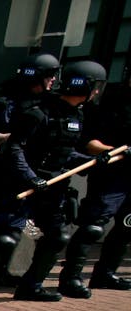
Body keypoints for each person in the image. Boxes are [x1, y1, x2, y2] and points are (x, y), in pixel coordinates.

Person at [0, 60, 108, 310]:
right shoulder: (37, 112)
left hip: (53, 187)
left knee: (58, 237)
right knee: (4, 239)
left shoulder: (77, 114)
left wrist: (92, 160)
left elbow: (64, 153)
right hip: (22, 185)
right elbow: (15, 147)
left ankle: (31, 286)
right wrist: (29, 177)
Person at [57, 69, 131, 294]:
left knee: (128, 226)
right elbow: (88, 140)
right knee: (93, 226)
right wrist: (115, 151)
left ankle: (105, 274)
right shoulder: (110, 100)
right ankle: (71, 277)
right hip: (111, 173)